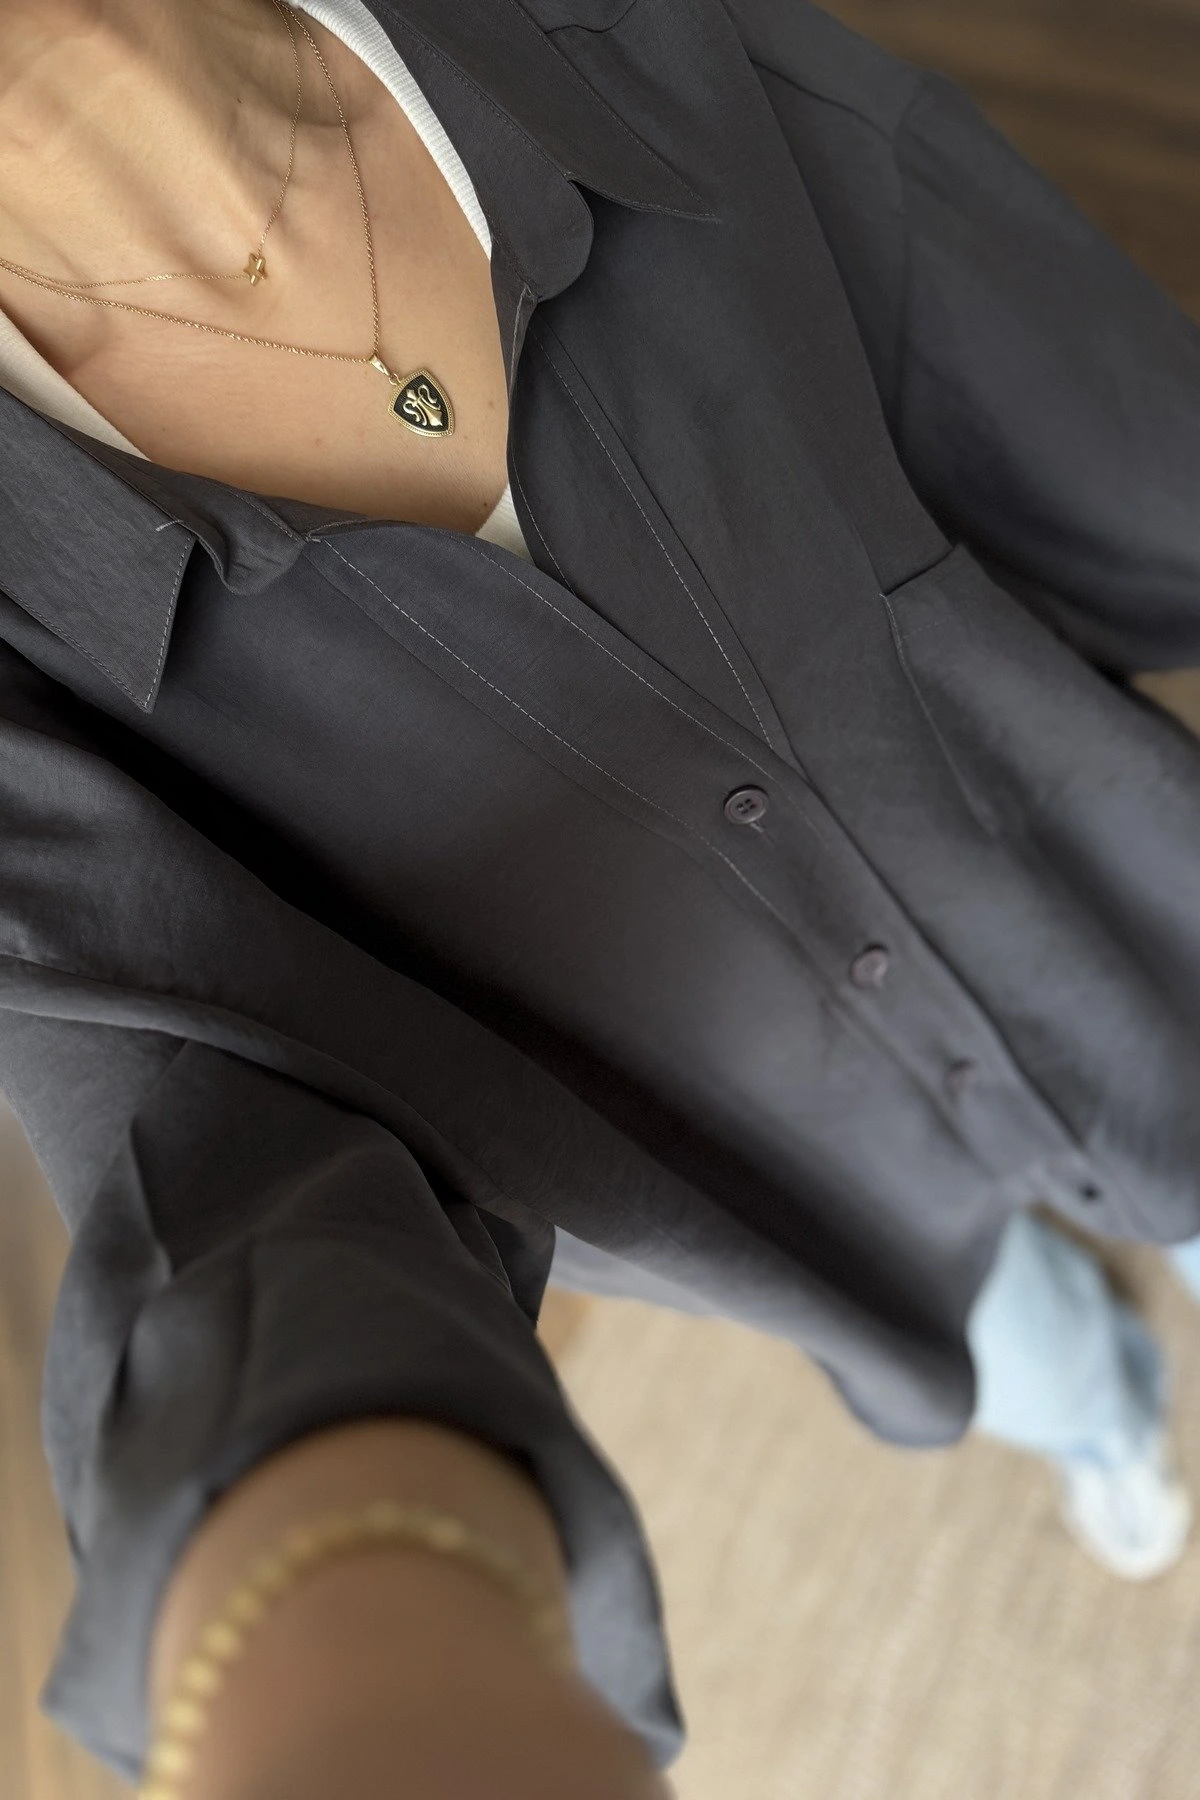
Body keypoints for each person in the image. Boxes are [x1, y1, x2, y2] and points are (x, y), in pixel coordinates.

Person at [1, 0, 1199, 1793]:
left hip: (1112, 934)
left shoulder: (637, 43)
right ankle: (1102, 1412)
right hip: (789, 1186)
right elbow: (206, 1171)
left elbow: (1101, 425)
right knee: (1019, 1359)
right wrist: (335, 1596)